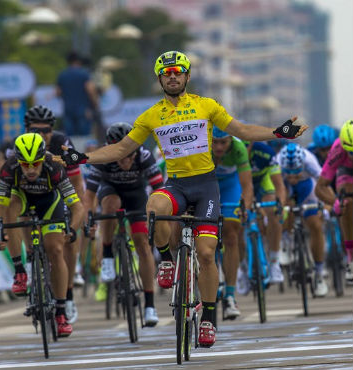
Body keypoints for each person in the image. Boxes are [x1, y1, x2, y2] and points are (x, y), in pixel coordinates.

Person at [57, 51, 307, 348]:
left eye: (178, 72)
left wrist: (279, 132)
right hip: (177, 184)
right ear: (160, 78)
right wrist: (82, 157)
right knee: (154, 207)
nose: (172, 76)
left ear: (187, 76)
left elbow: (241, 130)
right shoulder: (152, 115)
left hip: (206, 186)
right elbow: (121, 149)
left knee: (205, 253)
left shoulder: (206, 106)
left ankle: (210, 319)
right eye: (167, 73)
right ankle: (166, 259)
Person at [0, 133, 84, 337]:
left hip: (49, 203)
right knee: (9, 209)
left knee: (56, 249)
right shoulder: (9, 169)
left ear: (43, 159)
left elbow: (77, 207)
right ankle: (20, 272)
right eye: (25, 165)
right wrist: (0, 233)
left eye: (35, 164)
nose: (31, 170)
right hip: (22, 200)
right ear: (18, 161)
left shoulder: (55, 169)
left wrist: (72, 229)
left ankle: (61, 312)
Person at [83, 122, 164, 326]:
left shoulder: (144, 156)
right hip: (111, 192)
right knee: (111, 204)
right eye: (120, 156)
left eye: (129, 155)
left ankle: (150, 306)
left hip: (136, 196)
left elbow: (159, 190)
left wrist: (157, 216)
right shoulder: (102, 158)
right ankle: (108, 254)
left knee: (143, 245)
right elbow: (90, 196)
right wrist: (89, 219)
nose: (125, 161)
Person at [19, 105, 85, 324]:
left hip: (60, 191)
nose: (41, 135)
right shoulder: (18, 146)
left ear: (52, 130)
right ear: (26, 130)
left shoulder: (62, 144)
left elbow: (76, 182)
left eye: (46, 130)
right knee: (23, 211)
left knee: (66, 240)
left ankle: (68, 295)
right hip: (31, 191)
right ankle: (31, 256)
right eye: (35, 130)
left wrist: (79, 210)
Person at [211, 127, 253, 320]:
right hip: (208, 186)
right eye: (215, 142)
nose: (219, 147)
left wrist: (245, 207)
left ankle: (229, 296)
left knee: (231, 236)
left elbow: (246, 186)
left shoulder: (238, 148)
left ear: (230, 140)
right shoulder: (201, 146)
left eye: (223, 142)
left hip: (229, 187)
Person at [277, 143, 328, 296]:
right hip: (285, 188)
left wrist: (324, 207)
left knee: (316, 226)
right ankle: (286, 241)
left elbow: (323, 185)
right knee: (285, 205)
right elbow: (273, 189)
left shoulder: (310, 161)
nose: (292, 177)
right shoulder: (277, 161)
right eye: (289, 173)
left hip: (307, 187)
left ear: (302, 166)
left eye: (296, 173)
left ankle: (319, 274)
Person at [243, 141, 287, 286]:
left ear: (251, 145)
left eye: (246, 147)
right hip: (241, 184)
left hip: (263, 182)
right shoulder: (230, 154)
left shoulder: (265, 152)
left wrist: (280, 205)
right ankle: (242, 266)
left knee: (273, 212)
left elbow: (279, 185)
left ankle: (274, 261)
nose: (244, 150)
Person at [315, 120, 353, 285]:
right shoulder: (338, 149)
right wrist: (336, 202)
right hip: (347, 172)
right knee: (346, 202)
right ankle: (351, 258)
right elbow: (320, 188)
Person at [56, 51, 100, 137]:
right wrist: (95, 104)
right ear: (78, 61)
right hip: (83, 110)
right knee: (84, 137)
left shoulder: (62, 75)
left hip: (68, 110)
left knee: (70, 137)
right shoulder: (84, 74)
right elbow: (90, 90)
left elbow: (58, 92)